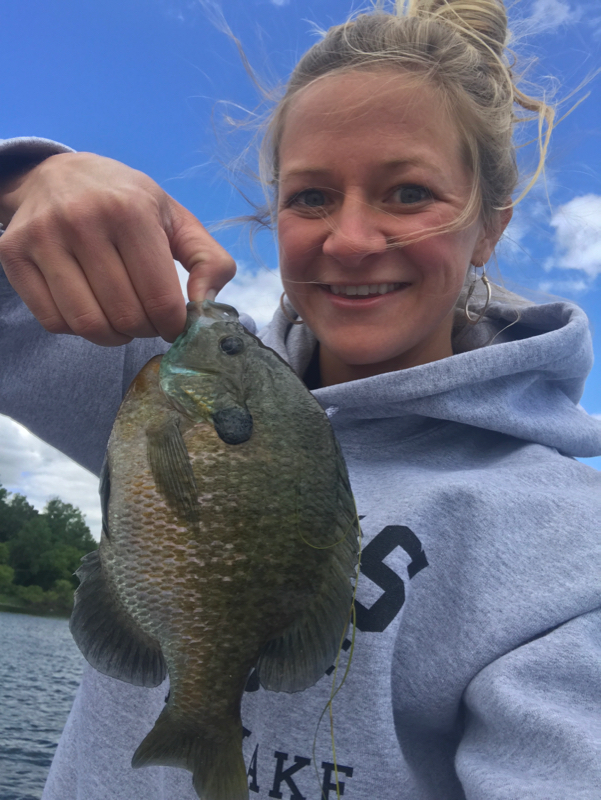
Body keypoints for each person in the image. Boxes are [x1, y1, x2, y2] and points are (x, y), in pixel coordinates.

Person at [1, 1, 601, 798]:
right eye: (311, 197)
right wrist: (29, 179)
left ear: (488, 228)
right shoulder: (158, 376)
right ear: (274, 212)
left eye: (408, 192)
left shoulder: (570, 539)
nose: (350, 240)